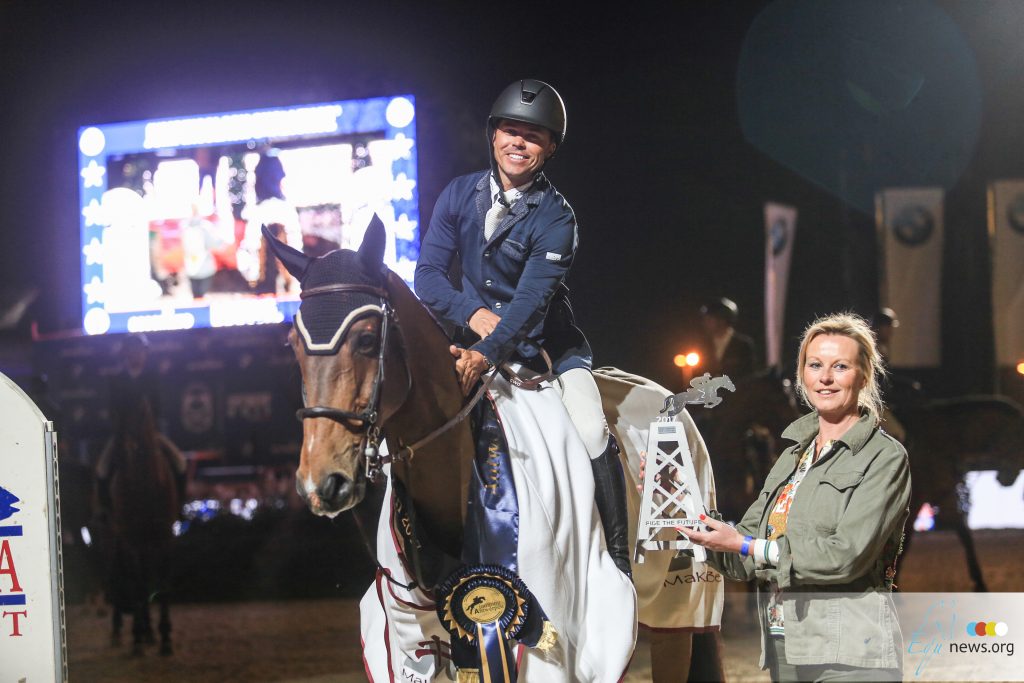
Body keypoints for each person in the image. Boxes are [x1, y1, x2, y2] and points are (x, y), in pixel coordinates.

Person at [414, 79, 631, 577]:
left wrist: (487, 351)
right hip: (467, 341)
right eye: (510, 131)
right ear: (493, 137)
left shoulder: (557, 218)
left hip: (545, 349)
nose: (519, 143)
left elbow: (532, 304)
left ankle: (616, 558)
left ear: (550, 147)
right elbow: (426, 276)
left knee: (591, 429)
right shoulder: (456, 194)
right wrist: (471, 316)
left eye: (532, 136)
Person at [680, 313, 911, 681]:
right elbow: (740, 557)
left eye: (840, 366)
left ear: (864, 375)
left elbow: (844, 557)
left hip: (850, 653)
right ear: (802, 374)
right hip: (784, 646)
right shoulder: (791, 456)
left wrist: (748, 546)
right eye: (815, 364)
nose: (825, 377)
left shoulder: (884, 456)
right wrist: (680, 504)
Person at [698, 296, 758, 381]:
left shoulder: (743, 345)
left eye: (710, 319)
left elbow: (749, 375)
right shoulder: (703, 345)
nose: (705, 324)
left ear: (722, 320)